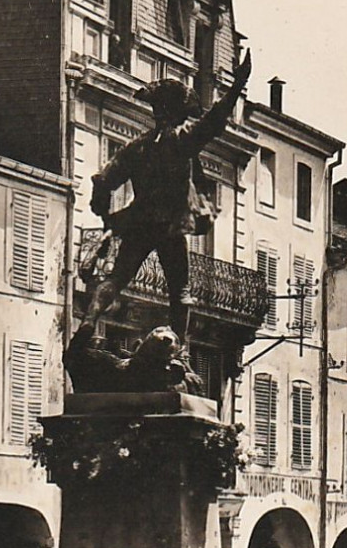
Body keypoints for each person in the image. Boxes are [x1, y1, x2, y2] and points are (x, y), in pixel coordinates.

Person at [79, 51, 253, 341]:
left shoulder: (137, 147)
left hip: (139, 223)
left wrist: (107, 216)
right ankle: (180, 351)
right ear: (177, 113)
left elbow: (102, 182)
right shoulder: (181, 142)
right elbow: (214, 120)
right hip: (170, 227)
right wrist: (237, 86)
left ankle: (88, 321)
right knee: (180, 291)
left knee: (116, 279)